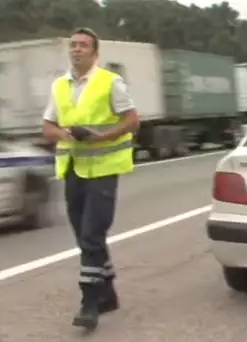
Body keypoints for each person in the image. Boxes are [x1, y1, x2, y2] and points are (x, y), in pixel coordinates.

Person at [42, 27, 140, 329]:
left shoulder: (110, 82)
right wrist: (64, 133)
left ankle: (90, 302)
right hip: (73, 170)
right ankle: (108, 293)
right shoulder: (59, 86)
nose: (76, 49)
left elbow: (132, 122)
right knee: (85, 238)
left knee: (91, 235)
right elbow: (47, 127)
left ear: (95, 53)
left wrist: (100, 137)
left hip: (104, 170)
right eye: (73, 45)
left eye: (83, 45)